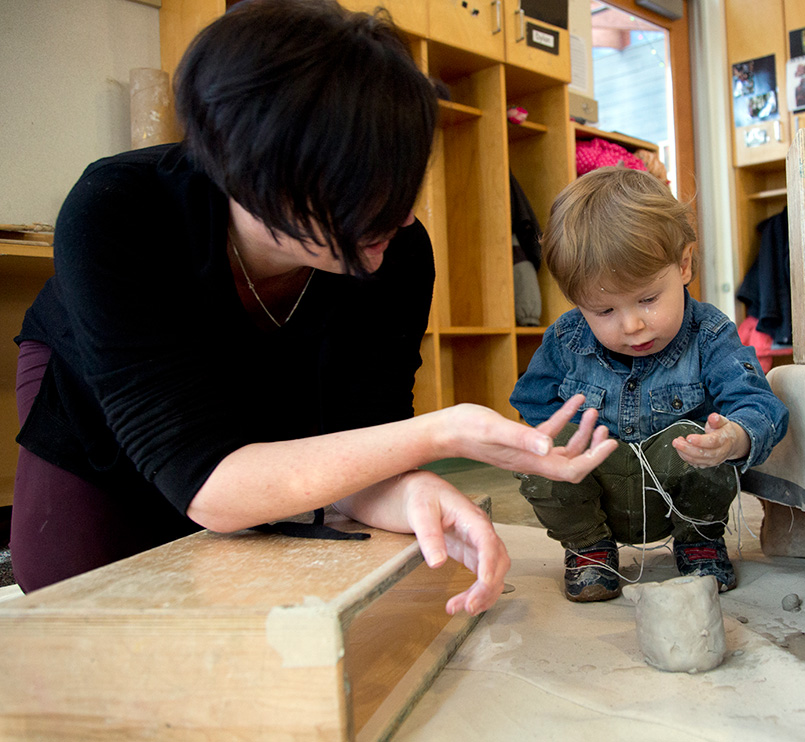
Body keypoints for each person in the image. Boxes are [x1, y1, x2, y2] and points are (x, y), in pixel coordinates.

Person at [9, 0, 617, 612]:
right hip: (101, 415)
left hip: (258, 437)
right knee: (81, 604)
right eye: (365, 192)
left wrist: (410, 493)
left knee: (249, 602)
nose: (402, 217)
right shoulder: (118, 211)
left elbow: (357, 448)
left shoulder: (398, 251)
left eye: (404, 186)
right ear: (260, 179)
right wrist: (442, 433)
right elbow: (210, 486)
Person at [509, 168, 789, 602]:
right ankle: (589, 550)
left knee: (701, 437)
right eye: (604, 311)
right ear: (577, 302)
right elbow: (531, 403)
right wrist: (548, 448)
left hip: (680, 497)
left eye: (647, 299)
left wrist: (734, 437)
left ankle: (698, 542)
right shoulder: (566, 339)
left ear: (683, 264)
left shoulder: (710, 334)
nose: (632, 325)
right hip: (598, 492)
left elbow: (757, 402)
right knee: (539, 447)